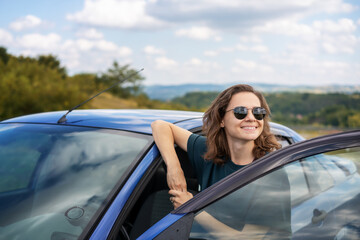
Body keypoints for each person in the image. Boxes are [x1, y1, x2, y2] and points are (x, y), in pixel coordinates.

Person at [151, 84, 290, 238]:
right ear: (222, 119)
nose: (251, 118)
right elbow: (160, 126)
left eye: (258, 112)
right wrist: (174, 169)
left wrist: (191, 208)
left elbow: (246, 238)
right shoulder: (209, 153)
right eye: (240, 112)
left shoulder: (271, 173)